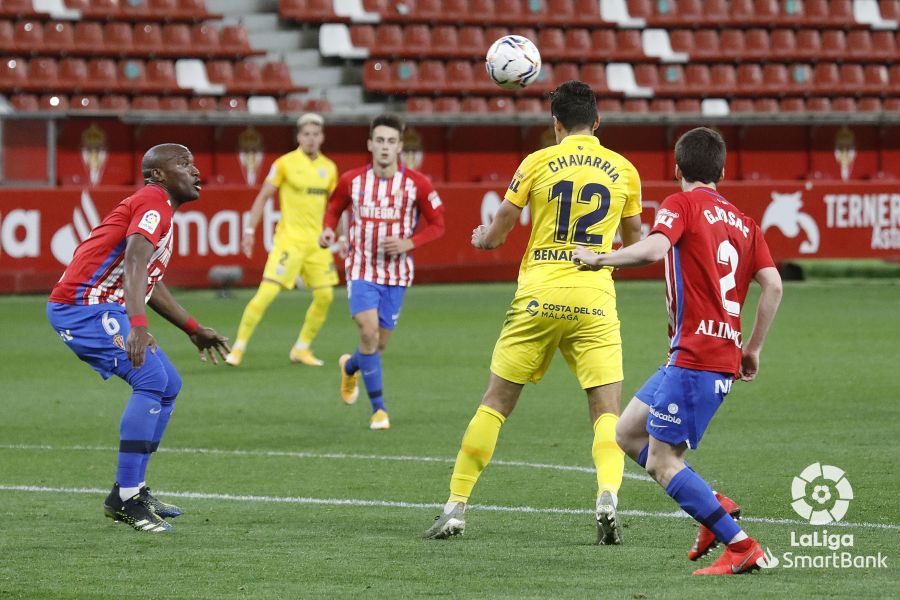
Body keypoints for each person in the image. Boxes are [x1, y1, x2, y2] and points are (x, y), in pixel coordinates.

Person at [424, 80, 643, 544]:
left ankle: (456, 505)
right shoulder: (624, 169)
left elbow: (500, 230)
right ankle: (607, 494)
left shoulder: (537, 162)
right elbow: (639, 243)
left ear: (556, 124)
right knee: (607, 411)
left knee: (496, 403)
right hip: (594, 298)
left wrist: (483, 238)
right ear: (598, 122)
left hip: (539, 295)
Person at [571, 127, 783, 575]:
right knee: (627, 433)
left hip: (698, 358)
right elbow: (774, 285)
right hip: (700, 355)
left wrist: (600, 258)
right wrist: (754, 348)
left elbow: (654, 248)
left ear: (676, 167)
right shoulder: (747, 223)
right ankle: (711, 506)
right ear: (723, 171)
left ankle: (742, 546)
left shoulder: (680, 204)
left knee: (664, 461)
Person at [47, 144, 231, 532]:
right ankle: (127, 498)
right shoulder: (153, 202)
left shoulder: (159, 208)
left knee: (169, 384)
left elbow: (149, 279)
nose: (196, 172)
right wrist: (138, 323)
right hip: (82, 306)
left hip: (103, 306)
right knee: (149, 378)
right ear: (159, 174)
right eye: (185, 164)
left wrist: (193, 328)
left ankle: (131, 490)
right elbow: (133, 259)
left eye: (195, 163)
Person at [318, 113, 445, 430]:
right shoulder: (351, 180)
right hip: (361, 268)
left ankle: (350, 367)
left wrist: (409, 243)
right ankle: (379, 410)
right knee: (368, 332)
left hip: (397, 274)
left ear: (400, 146)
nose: (385, 147)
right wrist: (327, 231)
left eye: (391, 141)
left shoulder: (417, 183)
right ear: (370, 144)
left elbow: (439, 225)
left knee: (377, 345)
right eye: (380, 141)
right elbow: (334, 209)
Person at [226, 113, 339, 367]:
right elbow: (264, 196)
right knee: (266, 294)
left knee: (325, 296)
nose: (311, 139)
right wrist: (248, 231)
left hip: (317, 244)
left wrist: (340, 236)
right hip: (289, 241)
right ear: (299, 137)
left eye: (315, 134)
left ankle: (301, 348)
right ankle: (238, 347)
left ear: (322, 137)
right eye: (306, 134)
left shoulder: (329, 168)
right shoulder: (285, 164)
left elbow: (334, 207)